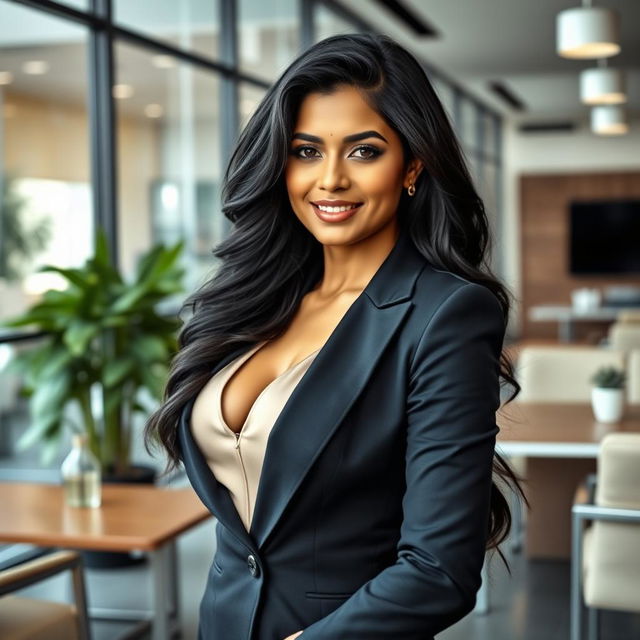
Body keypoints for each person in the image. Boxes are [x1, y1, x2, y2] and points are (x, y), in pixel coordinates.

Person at [144, 32, 524, 640]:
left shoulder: (447, 314)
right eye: (307, 150)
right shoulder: (255, 298)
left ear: (413, 165)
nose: (331, 179)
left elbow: (438, 570)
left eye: (364, 151)